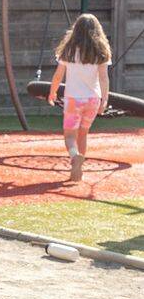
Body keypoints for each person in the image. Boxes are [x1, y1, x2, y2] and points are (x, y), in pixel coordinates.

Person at [47, 13, 113, 182]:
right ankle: (78, 168)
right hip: (93, 99)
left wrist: (52, 92)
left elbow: (58, 75)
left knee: (69, 135)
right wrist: (104, 99)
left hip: (73, 99)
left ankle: (75, 156)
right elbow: (104, 78)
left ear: (75, 30)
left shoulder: (68, 51)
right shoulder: (101, 52)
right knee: (83, 134)